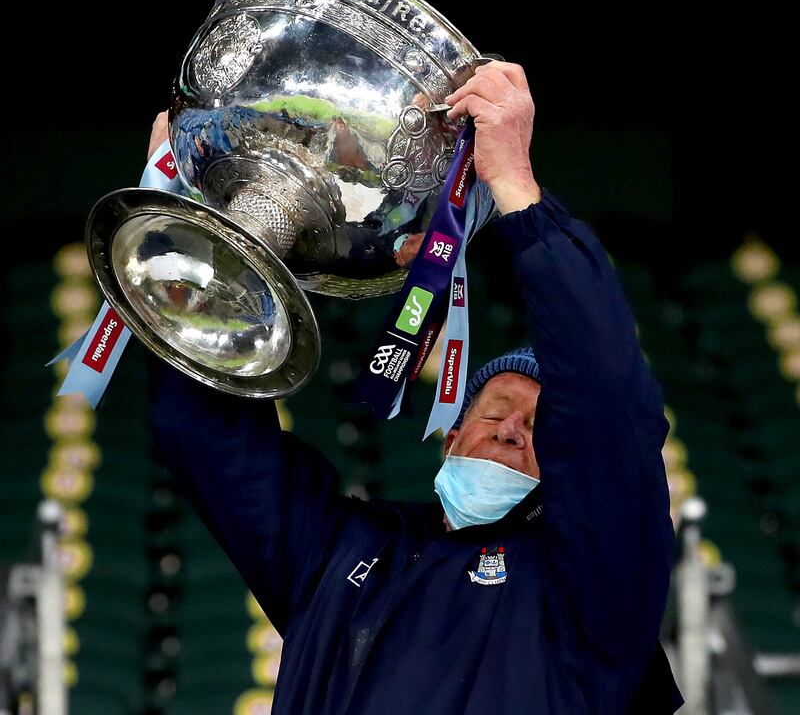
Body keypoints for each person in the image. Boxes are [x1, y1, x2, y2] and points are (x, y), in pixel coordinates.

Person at [146, 61, 685, 713]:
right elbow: (205, 432)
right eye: (498, 413)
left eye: (545, 430)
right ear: (452, 434)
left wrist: (513, 183)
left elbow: (606, 393)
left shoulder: (600, 588)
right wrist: (195, 236)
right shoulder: (339, 550)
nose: (515, 427)